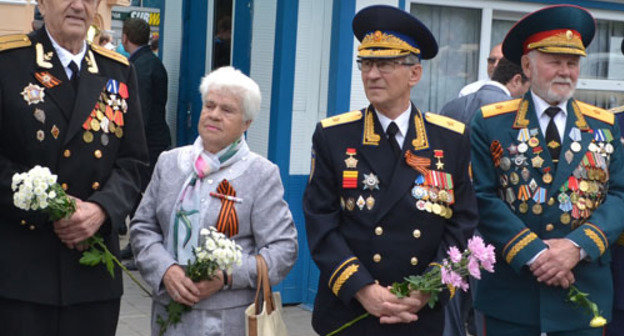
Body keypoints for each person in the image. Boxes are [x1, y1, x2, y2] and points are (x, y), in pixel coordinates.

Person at [303, 5, 478, 336]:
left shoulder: (450, 139)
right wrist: (363, 289)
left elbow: (464, 222)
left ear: (414, 73)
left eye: (384, 64)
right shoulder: (334, 136)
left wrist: (430, 286)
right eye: (366, 64)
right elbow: (320, 222)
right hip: (350, 312)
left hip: (418, 312)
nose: (371, 75)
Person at [470, 5, 624, 336]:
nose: (565, 71)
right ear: (527, 65)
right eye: (554, 61)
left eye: (572, 63)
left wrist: (576, 246)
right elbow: (481, 195)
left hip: (583, 300)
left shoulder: (604, 125)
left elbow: (619, 194)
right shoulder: (491, 122)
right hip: (511, 296)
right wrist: (536, 253)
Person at [0, 0, 148, 334]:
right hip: (22, 275)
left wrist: (101, 210)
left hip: (91, 281)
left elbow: (133, 163)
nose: (78, 5)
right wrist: (52, 207)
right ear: (41, 2)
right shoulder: (9, 64)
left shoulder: (118, 71)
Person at [130, 66, 298, 336]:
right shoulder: (170, 162)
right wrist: (165, 270)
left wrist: (227, 276)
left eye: (227, 110)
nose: (214, 115)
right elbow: (142, 228)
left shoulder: (260, 174)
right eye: (209, 105)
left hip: (226, 321)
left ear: (247, 123)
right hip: (168, 315)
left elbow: (283, 249)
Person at [119, 18, 172, 267]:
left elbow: (141, 111)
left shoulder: (141, 67)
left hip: (147, 142)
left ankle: (142, 250)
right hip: (154, 138)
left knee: (142, 197)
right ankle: (137, 246)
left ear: (125, 37)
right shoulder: (149, 62)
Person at [440, 58, 530, 124]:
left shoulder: (450, 106)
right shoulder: (516, 112)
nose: (527, 90)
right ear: (516, 80)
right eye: (529, 85)